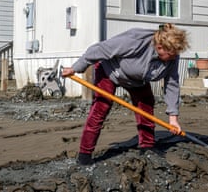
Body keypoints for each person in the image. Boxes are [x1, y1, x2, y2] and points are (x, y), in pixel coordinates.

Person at [62, 23, 190, 165]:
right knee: (101, 107)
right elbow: (98, 50)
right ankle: (85, 155)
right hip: (109, 71)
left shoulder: (172, 56)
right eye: (171, 55)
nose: (173, 58)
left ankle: (147, 147)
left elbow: (171, 83)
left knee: (146, 105)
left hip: (136, 81)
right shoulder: (136, 39)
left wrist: (173, 118)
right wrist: (75, 68)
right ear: (160, 47)